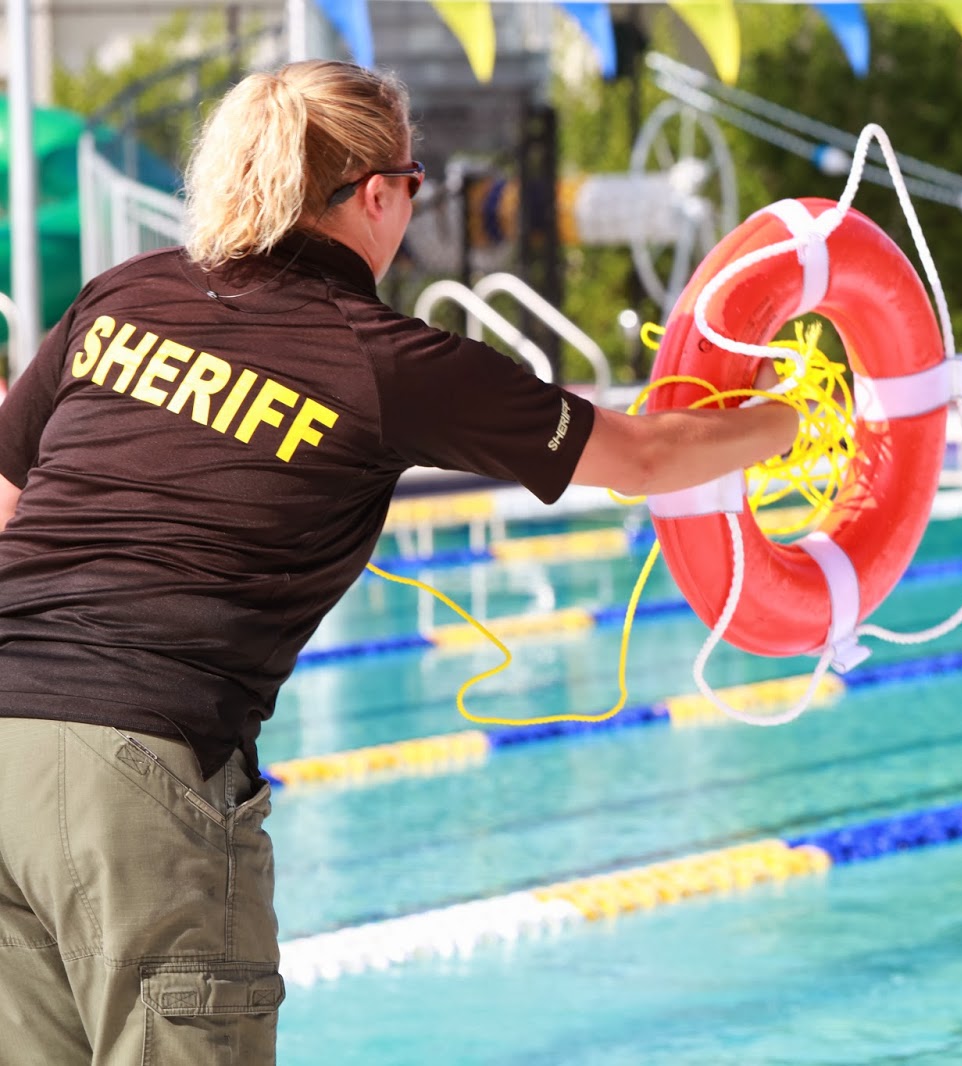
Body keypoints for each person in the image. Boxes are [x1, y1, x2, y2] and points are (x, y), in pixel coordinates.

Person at [0, 59, 797, 1064]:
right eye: (415, 182)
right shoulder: (380, 359)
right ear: (375, 193)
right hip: (143, 753)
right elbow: (642, 456)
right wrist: (794, 418)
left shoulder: (119, 298)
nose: (414, 205)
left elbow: (9, 498)